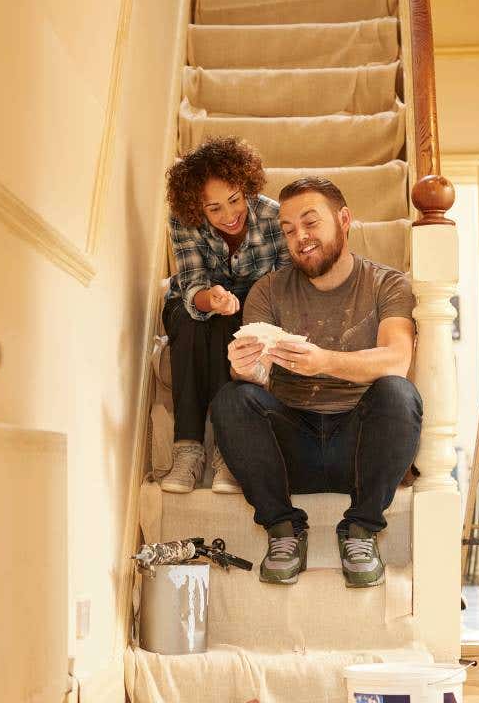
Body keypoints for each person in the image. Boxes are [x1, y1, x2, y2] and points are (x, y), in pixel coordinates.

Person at [213, 177, 421, 588]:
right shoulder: (268, 291)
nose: (299, 238)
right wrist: (243, 367)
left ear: (344, 220)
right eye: (288, 230)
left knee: (399, 393)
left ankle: (361, 530)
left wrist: (324, 362)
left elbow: (397, 358)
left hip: (361, 450)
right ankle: (283, 530)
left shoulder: (388, 284)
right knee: (231, 398)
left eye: (310, 223)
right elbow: (258, 379)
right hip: (292, 449)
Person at [160, 137, 290, 495]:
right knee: (194, 323)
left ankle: (226, 453)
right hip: (194, 305)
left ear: (246, 186)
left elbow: (284, 286)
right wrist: (210, 300)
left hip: (252, 309)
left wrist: (246, 310)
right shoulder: (182, 221)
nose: (229, 215)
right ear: (196, 208)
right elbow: (191, 287)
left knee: (232, 330)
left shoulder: (273, 217)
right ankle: (187, 448)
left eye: (234, 200)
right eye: (214, 209)